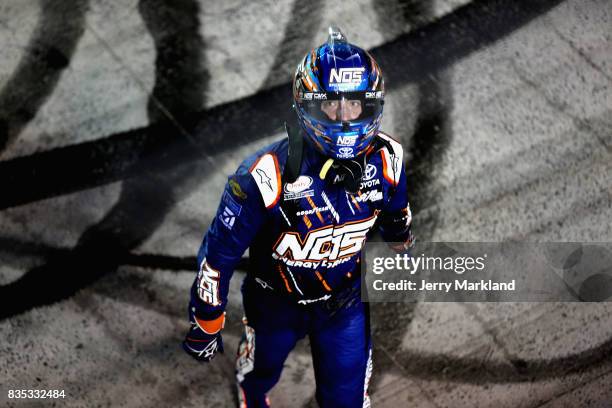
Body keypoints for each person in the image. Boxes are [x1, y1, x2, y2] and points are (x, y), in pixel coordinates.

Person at [182, 26, 414, 408]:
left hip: (344, 303)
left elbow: (397, 208)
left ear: (371, 106)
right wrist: (206, 317)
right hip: (274, 304)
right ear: (308, 105)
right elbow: (218, 256)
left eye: (354, 105)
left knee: (347, 400)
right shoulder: (263, 175)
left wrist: (401, 233)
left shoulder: (388, 158)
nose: (343, 118)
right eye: (332, 105)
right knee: (258, 378)